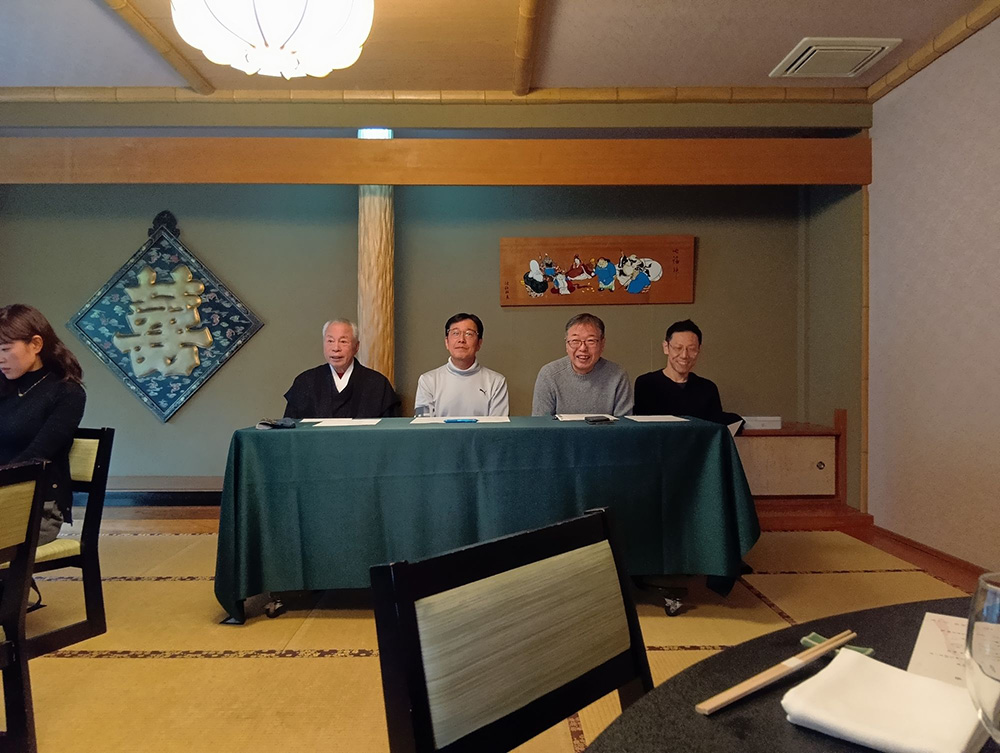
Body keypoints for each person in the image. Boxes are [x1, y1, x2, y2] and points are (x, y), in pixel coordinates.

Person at [0, 304, 86, 546]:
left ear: (36, 344)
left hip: (36, 507)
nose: (0, 359)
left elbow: (36, 455)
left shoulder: (67, 393)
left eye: (5, 349)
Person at [283, 319, 400, 419]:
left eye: (343, 341)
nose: (336, 348)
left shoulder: (377, 384)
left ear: (356, 346)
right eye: (330, 341)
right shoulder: (305, 382)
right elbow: (290, 430)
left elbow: (389, 431)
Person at [532, 312, 632, 416]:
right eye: (575, 341)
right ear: (566, 344)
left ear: (602, 344)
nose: (583, 348)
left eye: (590, 341)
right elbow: (541, 422)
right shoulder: (549, 374)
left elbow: (624, 423)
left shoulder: (618, 375)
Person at [414, 313, 509, 417]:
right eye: (455, 333)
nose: (461, 340)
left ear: (479, 343)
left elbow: (498, 426)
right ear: (447, 342)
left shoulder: (496, 382)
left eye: (469, 334)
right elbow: (423, 424)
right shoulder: (428, 381)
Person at [633, 319, 724, 422]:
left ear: (699, 349)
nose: (684, 355)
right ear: (666, 347)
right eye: (678, 348)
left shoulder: (708, 388)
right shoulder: (647, 384)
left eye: (692, 349)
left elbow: (716, 427)